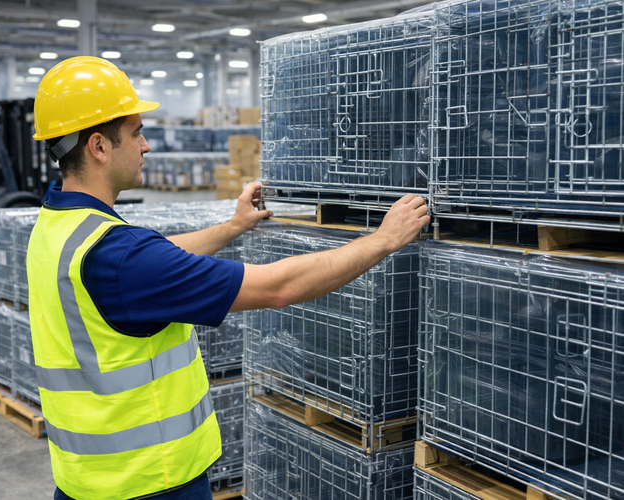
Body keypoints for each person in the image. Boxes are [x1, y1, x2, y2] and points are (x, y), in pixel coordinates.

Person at [27, 56, 429, 500]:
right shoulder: (121, 259)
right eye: (137, 132)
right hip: (150, 482)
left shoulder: (59, 228)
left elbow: (157, 260)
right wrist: (382, 241)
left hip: (84, 481)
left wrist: (232, 227)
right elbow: (279, 287)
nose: (145, 146)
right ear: (99, 147)